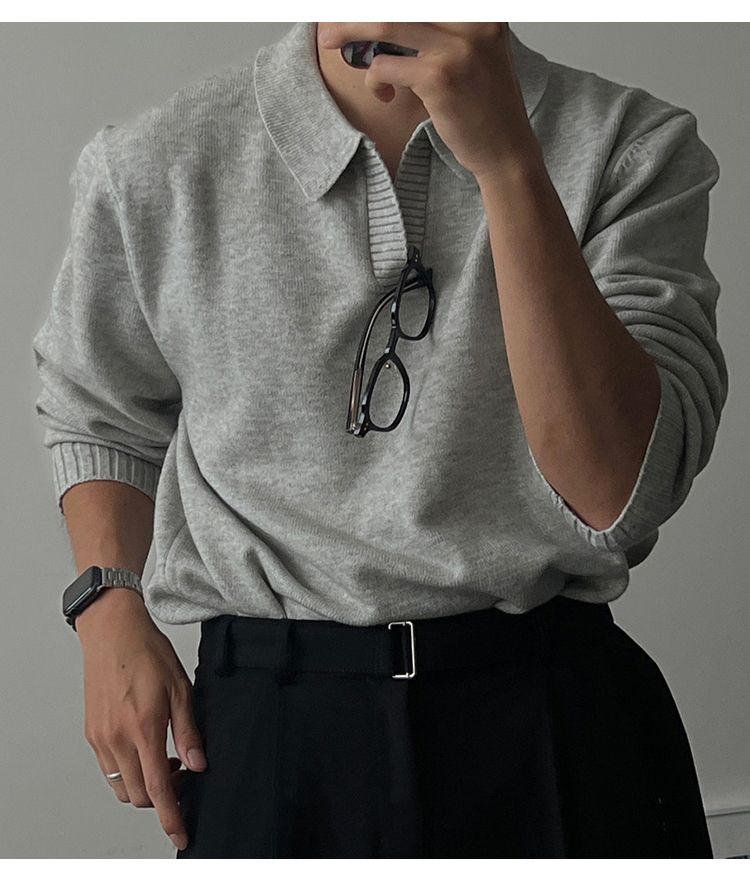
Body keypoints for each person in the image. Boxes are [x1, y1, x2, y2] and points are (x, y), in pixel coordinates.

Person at [32, 22, 727, 858]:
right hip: (273, 726)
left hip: (550, 711)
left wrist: (510, 164)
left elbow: (619, 492)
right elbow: (99, 407)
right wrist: (107, 607)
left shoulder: (630, 145)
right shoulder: (154, 161)